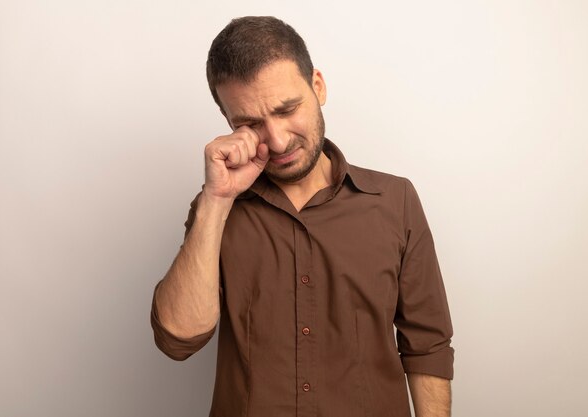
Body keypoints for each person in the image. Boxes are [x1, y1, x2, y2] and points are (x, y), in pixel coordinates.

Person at [151, 16, 454, 417]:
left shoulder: (394, 200)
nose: (277, 140)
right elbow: (178, 339)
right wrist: (217, 200)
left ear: (318, 86)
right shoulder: (216, 210)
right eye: (250, 123)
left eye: (286, 109)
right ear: (229, 123)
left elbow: (427, 347)